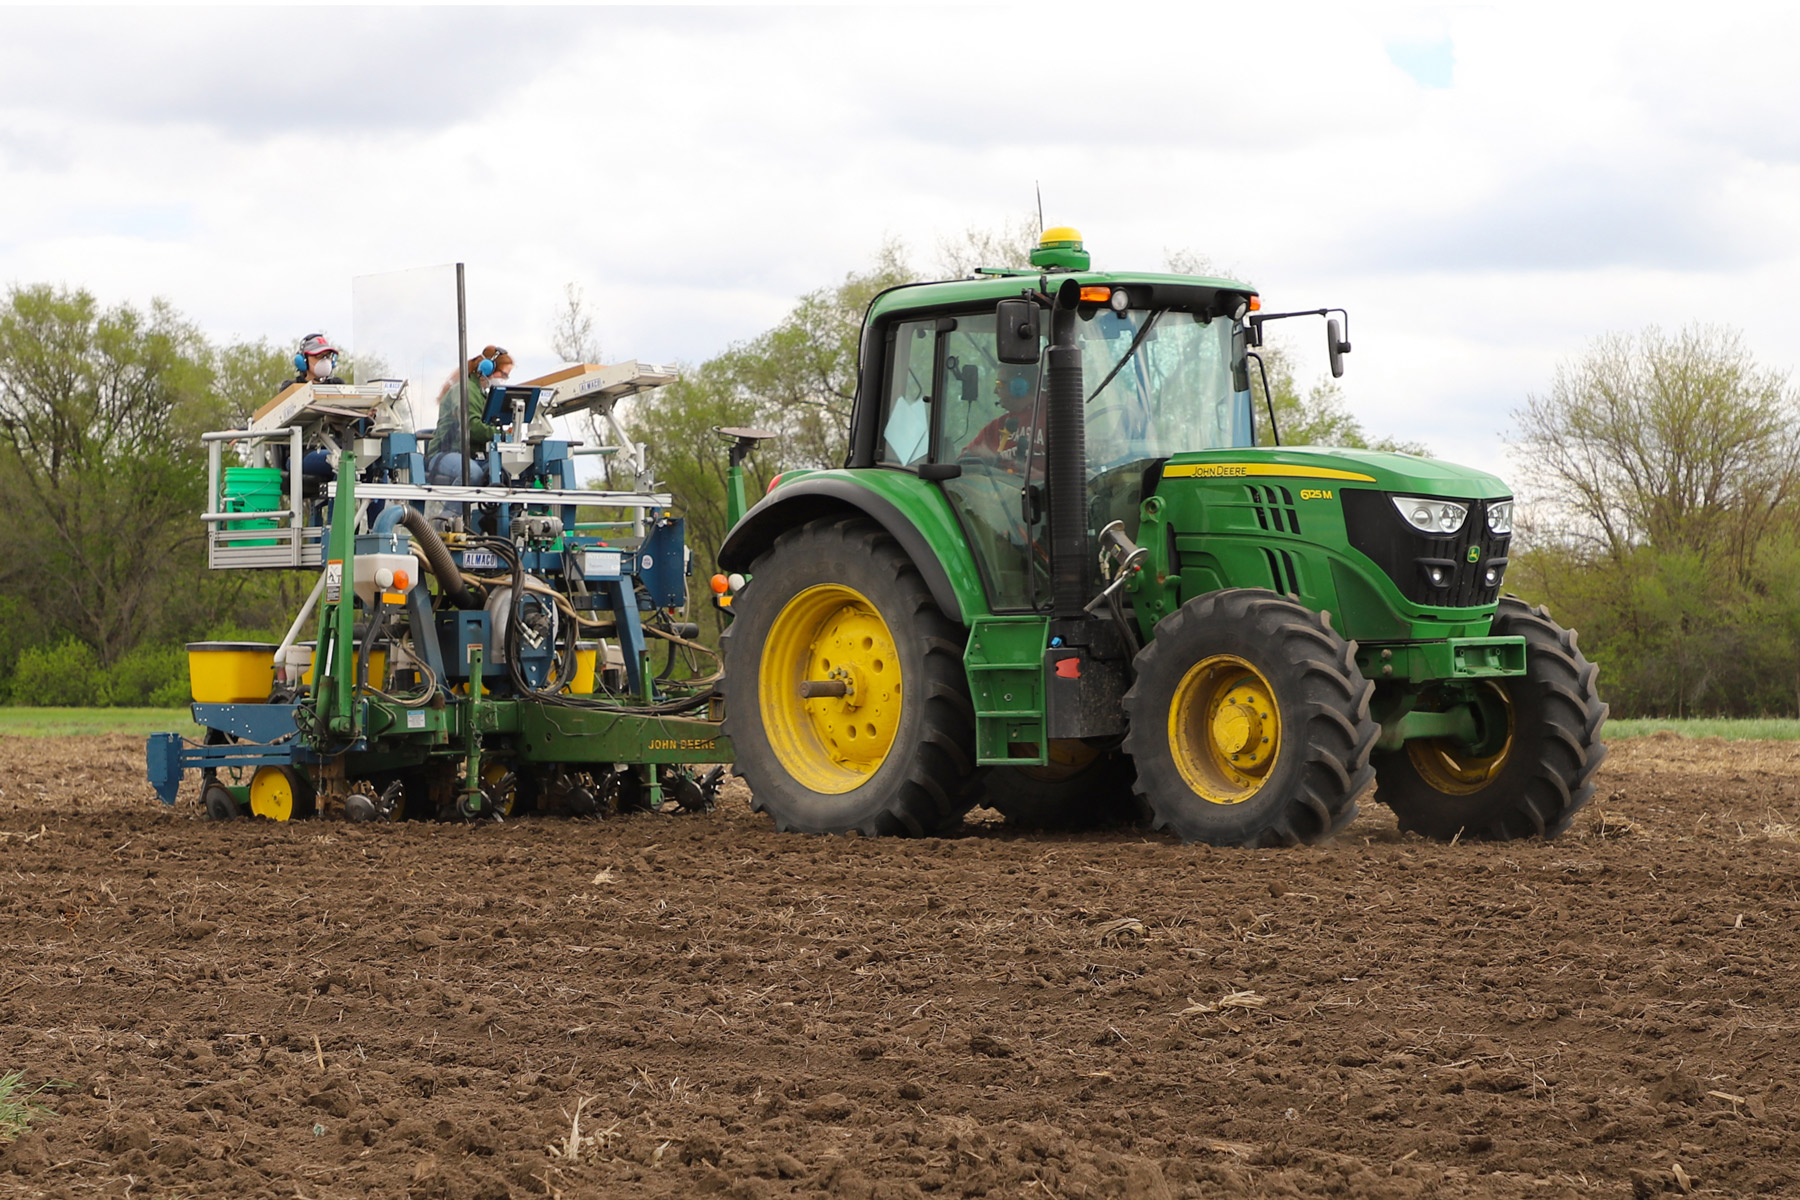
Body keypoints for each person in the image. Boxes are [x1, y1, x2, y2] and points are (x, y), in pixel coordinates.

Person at [428, 345, 512, 487]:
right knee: (472, 474)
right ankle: (452, 510)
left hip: (471, 456)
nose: (505, 379)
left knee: (503, 476)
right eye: (503, 374)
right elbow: (471, 428)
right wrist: (501, 433)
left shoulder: (482, 394)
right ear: (488, 368)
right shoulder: (464, 389)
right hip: (445, 453)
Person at [962, 363, 1044, 473]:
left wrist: (1039, 477)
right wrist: (983, 456)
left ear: (1019, 386)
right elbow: (962, 460)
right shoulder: (997, 426)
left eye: (999, 384)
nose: (995, 391)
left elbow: (1072, 475)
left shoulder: (1058, 420)